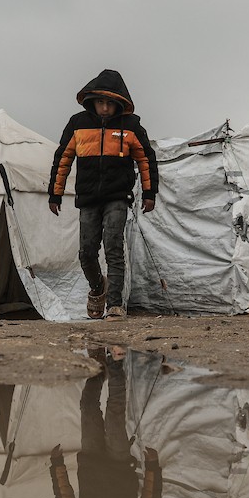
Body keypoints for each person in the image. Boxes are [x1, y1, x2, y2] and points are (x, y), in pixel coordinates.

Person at [49, 346, 161, 498]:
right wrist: (153, 467)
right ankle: (116, 362)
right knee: (114, 414)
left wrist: (57, 466)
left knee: (88, 407)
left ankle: (98, 366)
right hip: (120, 463)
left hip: (90, 462)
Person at [48, 69, 158, 320]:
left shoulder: (131, 125)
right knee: (86, 252)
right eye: (100, 102)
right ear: (92, 101)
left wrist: (149, 192)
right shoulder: (77, 123)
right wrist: (55, 194)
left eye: (110, 103)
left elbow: (146, 160)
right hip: (87, 197)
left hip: (117, 196)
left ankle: (115, 305)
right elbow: (63, 158)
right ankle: (98, 288)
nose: (105, 108)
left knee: (113, 248)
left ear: (119, 102)